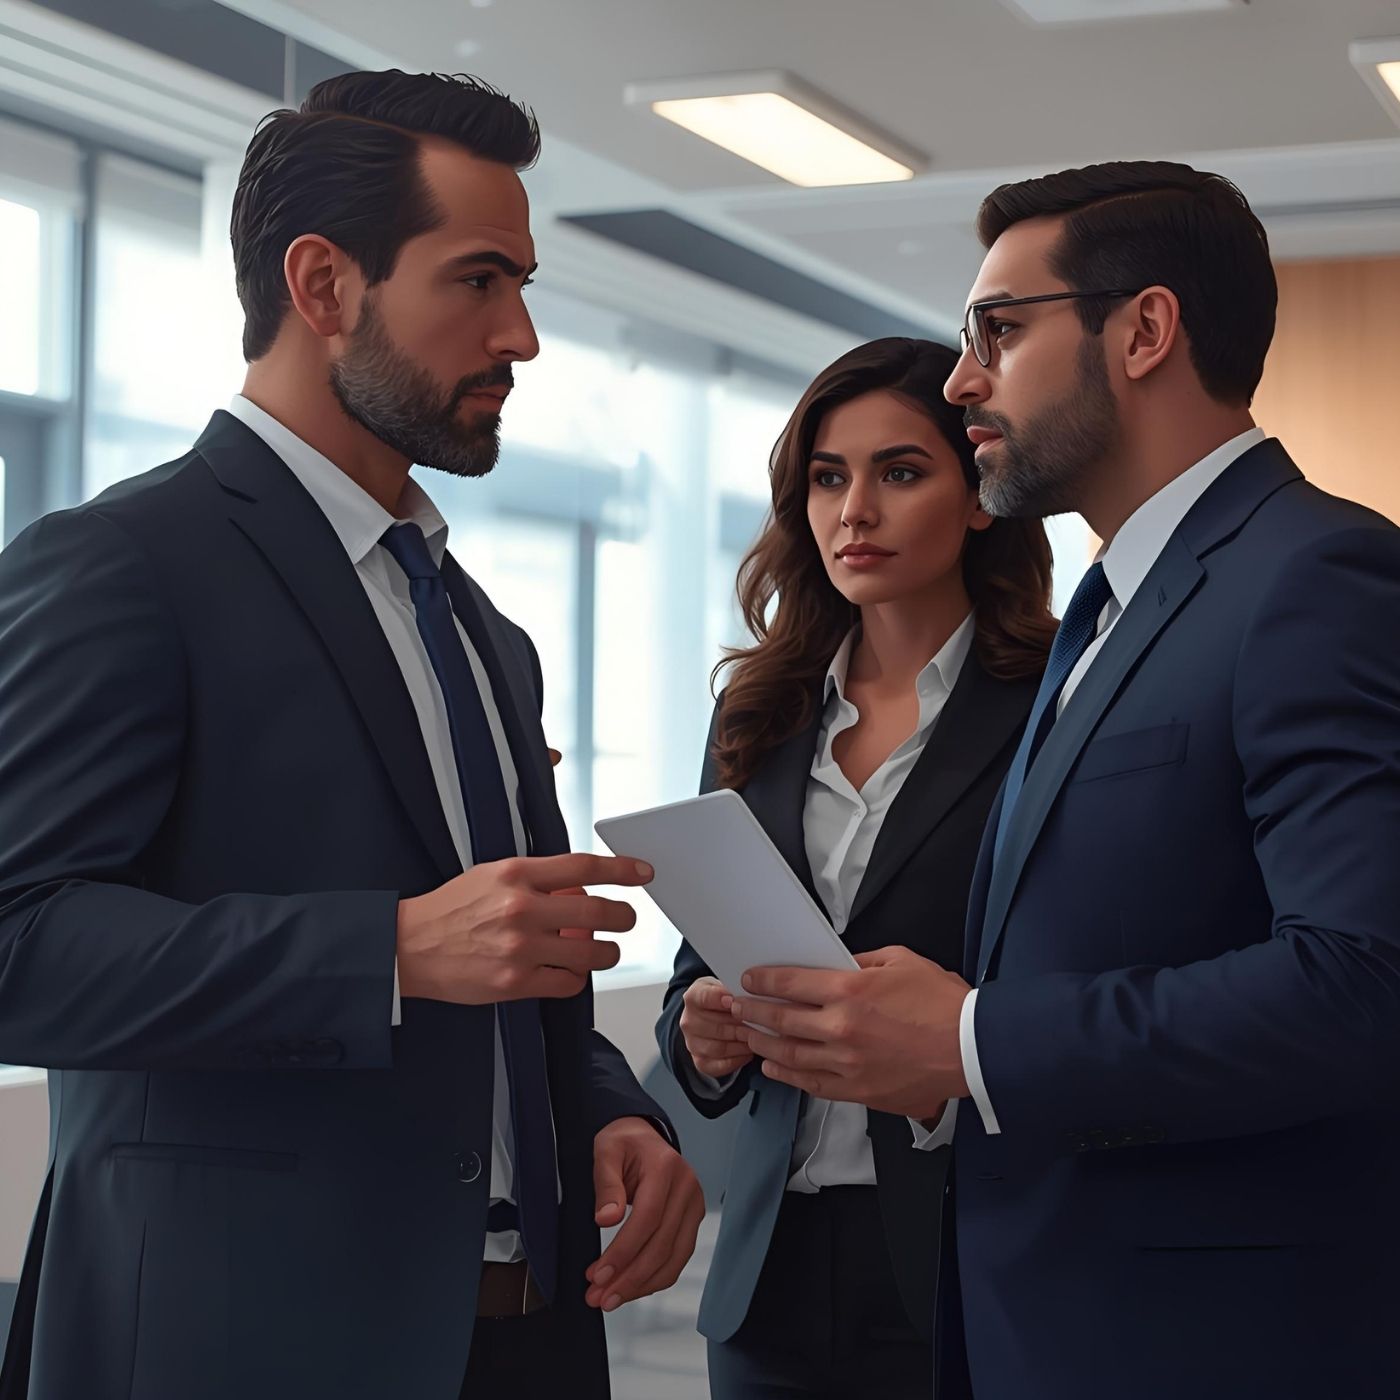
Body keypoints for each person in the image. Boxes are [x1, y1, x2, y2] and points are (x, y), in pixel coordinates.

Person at [0, 70, 703, 1400]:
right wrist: (380, 948)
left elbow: (511, 970)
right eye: (481, 282)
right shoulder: (122, 565)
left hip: (524, 1336)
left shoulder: (485, 632)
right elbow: (14, 939)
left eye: (525, 286)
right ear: (325, 286)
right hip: (239, 1343)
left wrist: (612, 1106)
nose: (524, 337)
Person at [725, 161, 1400, 1399]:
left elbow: (1363, 980)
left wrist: (970, 1035)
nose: (961, 377)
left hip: (1209, 1340)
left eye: (998, 329)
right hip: (1042, 1315)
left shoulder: (1316, 575)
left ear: (1141, 330)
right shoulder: (1106, 608)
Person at [655, 338, 1055, 1398]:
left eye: (900, 471)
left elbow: (1073, 970)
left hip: (966, 1249)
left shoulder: (1056, 704)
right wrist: (702, 1033)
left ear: (978, 497)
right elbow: (697, 961)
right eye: (827, 477)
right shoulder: (758, 712)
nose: (853, 511)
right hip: (769, 1268)